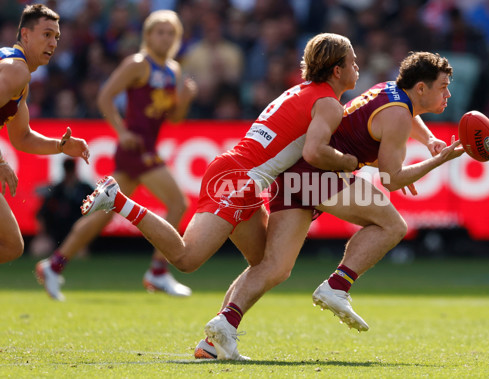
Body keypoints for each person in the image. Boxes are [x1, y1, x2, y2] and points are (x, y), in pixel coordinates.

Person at [80, 32, 359, 357]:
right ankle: (118, 200)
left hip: (243, 177)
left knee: (269, 265)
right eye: (353, 61)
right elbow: (314, 152)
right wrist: (349, 162)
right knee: (186, 258)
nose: (358, 66)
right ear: (337, 70)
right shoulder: (327, 103)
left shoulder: (301, 92)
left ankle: (215, 340)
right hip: (239, 178)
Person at [200, 51, 464, 360]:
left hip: (295, 177)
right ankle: (337, 286)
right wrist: (439, 159)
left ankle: (219, 332)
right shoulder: (398, 116)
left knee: (274, 266)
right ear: (421, 88)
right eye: (443, 86)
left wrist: (429, 139)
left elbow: (409, 117)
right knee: (392, 225)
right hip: (321, 175)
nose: (448, 93)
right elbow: (391, 179)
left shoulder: (391, 89)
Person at [35, 10, 197, 301]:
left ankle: (54, 264)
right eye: (159, 31)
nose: (165, 37)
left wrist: (183, 101)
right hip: (136, 149)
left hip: (145, 149)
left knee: (104, 214)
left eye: (170, 32)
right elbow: (105, 96)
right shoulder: (138, 63)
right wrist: (121, 131)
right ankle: (158, 271)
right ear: (148, 36)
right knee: (178, 203)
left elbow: (173, 118)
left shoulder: (173, 70)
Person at [0, 4, 90, 264]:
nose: (53, 43)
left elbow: (22, 137)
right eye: (47, 34)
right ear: (25, 35)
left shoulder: (19, 74)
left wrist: (60, 147)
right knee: (10, 245)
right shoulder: (16, 70)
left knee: (12, 245)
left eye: (57, 37)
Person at [31, 158, 94, 257]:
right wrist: (43, 235)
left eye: (70, 170)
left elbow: (96, 212)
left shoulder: (85, 189)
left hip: (78, 234)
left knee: (81, 253)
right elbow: (42, 213)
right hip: (56, 235)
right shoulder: (56, 190)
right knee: (39, 248)